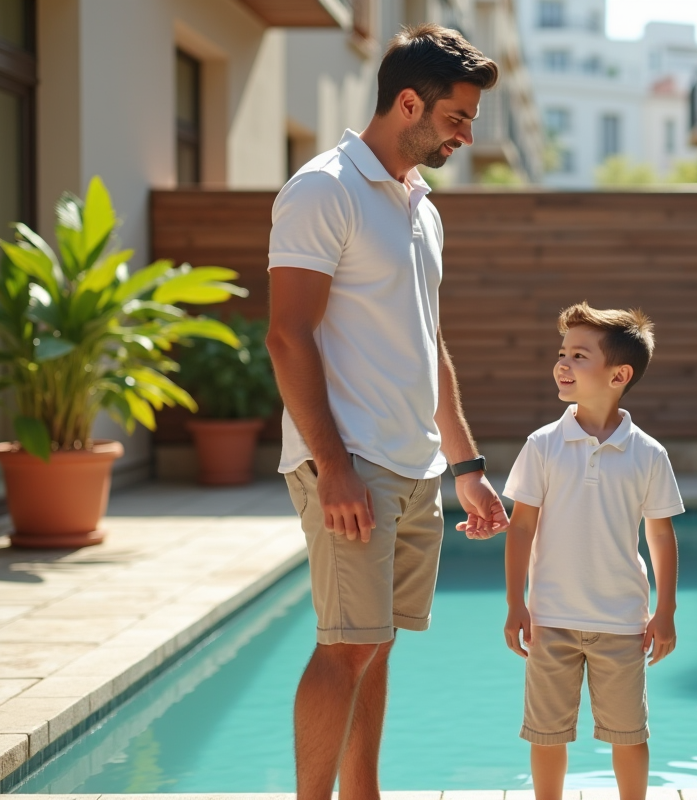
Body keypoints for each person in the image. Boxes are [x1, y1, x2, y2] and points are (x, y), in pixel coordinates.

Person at [265, 24, 509, 800]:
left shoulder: (420, 207)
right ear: (409, 102)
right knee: (346, 646)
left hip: (413, 467)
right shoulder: (324, 188)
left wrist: (465, 467)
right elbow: (286, 333)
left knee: (377, 646)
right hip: (351, 463)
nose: (467, 135)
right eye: (457, 118)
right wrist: (332, 467)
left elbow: (428, 345)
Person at [497, 302, 683, 800]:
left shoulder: (648, 454)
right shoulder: (542, 445)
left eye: (579, 355)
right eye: (562, 352)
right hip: (551, 618)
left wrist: (664, 611)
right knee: (546, 734)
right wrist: (517, 603)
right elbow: (521, 529)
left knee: (630, 733)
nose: (562, 363)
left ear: (619, 374)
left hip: (622, 623)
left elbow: (660, 535)